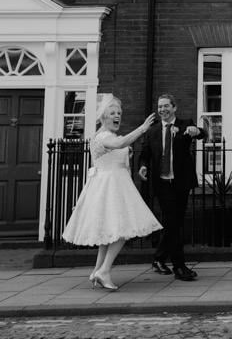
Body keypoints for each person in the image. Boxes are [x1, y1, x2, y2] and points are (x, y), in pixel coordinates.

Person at [62, 96, 160, 291]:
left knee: (111, 231)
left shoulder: (108, 136)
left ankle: (98, 270)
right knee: (122, 229)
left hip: (115, 184)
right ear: (103, 118)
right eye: (112, 114)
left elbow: (119, 149)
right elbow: (120, 144)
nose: (117, 116)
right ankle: (104, 270)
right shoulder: (103, 136)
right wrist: (142, 129)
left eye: (119, 114)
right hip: (110, 187)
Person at [138, 94, 206, 282]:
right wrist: (143, 166)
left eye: (166, 106)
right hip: (162, 183)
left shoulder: (185, 124)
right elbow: (145, 154)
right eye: (160, 107)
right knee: (173, 222)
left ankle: (159, 259)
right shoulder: (152, 131)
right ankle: (179, 266)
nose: (162, 110)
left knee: (174, 223)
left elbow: (202, 133)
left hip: (180, 182)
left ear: (174, 108)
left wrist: (196, 130)